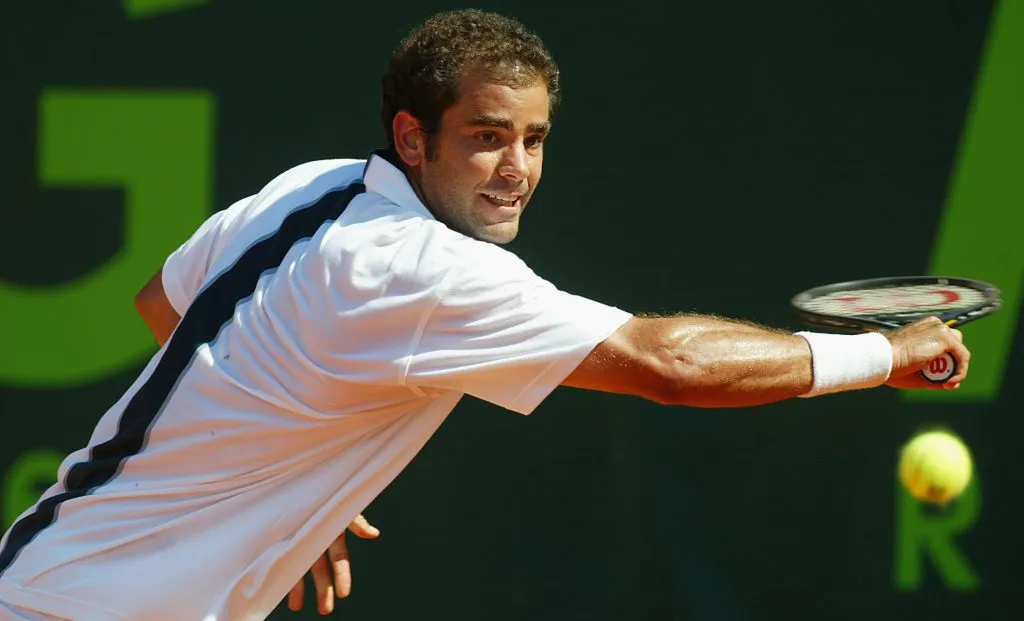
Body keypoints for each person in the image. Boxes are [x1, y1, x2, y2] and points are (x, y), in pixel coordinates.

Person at [0, 8, 971, 621]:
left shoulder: (311, 190)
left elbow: (163, 305)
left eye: (534, 139)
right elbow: (665, 365)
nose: (516, 171)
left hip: (44, 574)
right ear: (412, 138)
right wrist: (880, 356)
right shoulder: (423, 271)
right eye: (486, 138)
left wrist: (282, 465)